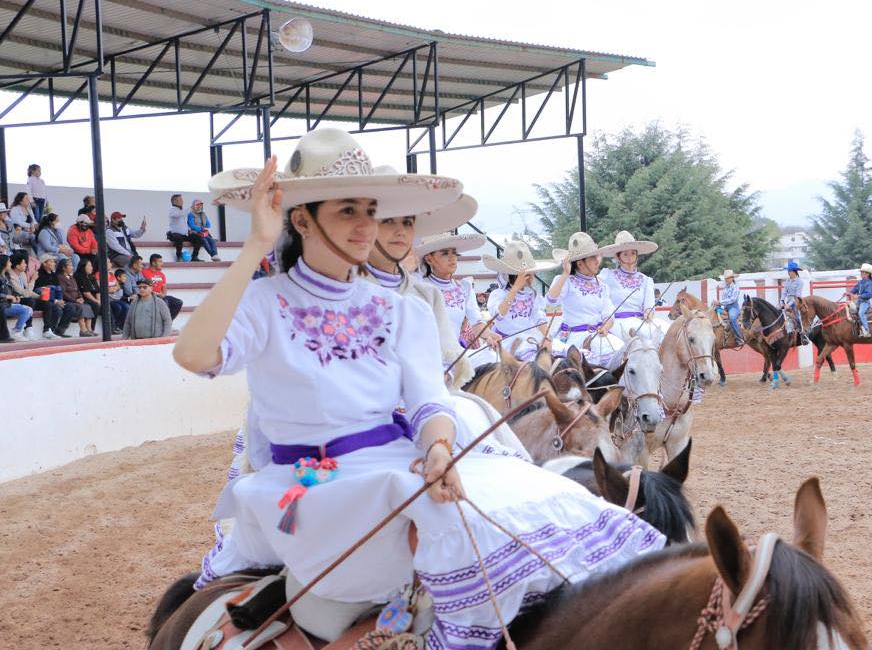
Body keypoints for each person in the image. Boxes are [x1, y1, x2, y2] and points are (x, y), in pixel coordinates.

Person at [181, 128, 661, 646]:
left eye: (371, 209)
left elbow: (429, 397)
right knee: (448, 517)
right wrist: (256, 245)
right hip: (309, 481)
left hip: (397, 460)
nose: (368, 224)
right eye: (348, 211)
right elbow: (194, 355)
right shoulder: (264, 302)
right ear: (302, 219)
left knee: (547, 492)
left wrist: (437, 447)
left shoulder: (401, 308)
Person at [364, 191, 477, 388]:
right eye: (389, 221)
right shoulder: (349, 287)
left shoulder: (427, 295)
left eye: (408, 222)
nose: (400, 231)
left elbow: (447, 352)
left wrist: (445, 376)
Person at [417, 231, 500, 369]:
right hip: (427, 356)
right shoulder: (421, 287)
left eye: (454, 253)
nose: (452, 258)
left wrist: (489, 335)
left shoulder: (464, 288)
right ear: (429, 259)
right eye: (445, 253)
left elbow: (476, 321)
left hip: (455, 354)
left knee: (492, 359)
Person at [545, 231, 624, 367]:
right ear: (580, 264)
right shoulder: (565, 281)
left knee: (622, 351)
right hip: (574, 336)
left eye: (596, 256)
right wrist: (565, 274)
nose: (597, 261)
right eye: (592, 258)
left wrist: (606, 327)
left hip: (599, 335)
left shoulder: (602, 285)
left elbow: (609, 314)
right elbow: (550, 301)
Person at [483, 240, 563, 361]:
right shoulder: (498, 294)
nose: (532, 276)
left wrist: (547, 337)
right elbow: (499, 315)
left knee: (562, 350)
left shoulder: (532, 295)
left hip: (526, 339)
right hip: (505, 341)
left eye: (532, 273)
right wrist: (515, 288)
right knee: (533, 356)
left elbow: (538, 317)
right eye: (528, 274)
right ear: (515, 275)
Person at [597, 230, 661, 342]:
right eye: (625, 254)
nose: (630, 257)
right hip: (617, 322)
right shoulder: (607, 275)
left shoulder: (646, 280)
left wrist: (648, 312)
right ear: (618, 257)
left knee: (665, 332)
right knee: (640, 336)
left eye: (632, 253)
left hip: (641, 321)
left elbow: (649, 305)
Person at [34, 253, 79, 337]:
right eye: (51, 262)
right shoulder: (39, 275)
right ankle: (51, 330)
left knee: (71, 307)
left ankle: (60, 330)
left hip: (56, 300)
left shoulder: (54, 275)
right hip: (44, 300)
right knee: (57, 309)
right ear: (44, 263)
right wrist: (55, 301)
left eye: (54, 262)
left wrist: (60, 300)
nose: (54, 264)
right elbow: (40, 291)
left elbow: (59, 290)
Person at [57, 257, 94, 337]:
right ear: (64, 268)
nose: (72, 267)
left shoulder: (72, 277)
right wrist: (75, 300)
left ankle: (89, 329)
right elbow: (64, 292)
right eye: (70, 266)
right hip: (68, 301)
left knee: (87, 306)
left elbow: (77, 290)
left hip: (76, 300)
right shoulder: (60, 277)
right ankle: (83, 330)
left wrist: (81, 298)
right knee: (78, 307)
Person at [1, 255, 34, 342]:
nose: (11, 264)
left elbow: (11, 290)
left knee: (29, 309)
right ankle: (17, 331)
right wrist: (7, 296)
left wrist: (16, 296)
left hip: (7, 304)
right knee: (27, 310)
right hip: (2, 306)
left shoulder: (6, 276)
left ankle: (18, 329)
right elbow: (5, 294)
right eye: (9, 262)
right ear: (3, 263)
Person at [142, 253, 182, 319]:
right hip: (150, 296)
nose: (162, 264)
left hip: (160, 296)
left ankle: (168, 322)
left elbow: (164, 288)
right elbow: (143, 287)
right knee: (165, 303)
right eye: (160, 262)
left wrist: (162, 294)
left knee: (178, 302)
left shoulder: (162, 274)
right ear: (153, 263)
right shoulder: (144, 272)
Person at [167, 194, 204, 262]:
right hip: (175, 234)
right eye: (180, 200)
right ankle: (179, 256)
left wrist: (189, 230)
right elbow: (179, 214)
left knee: (199, 238)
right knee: (178, 238)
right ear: (174, 201)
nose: (182, 201)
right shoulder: (172, 210)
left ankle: (194, 256)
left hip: (184, 234)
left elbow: (183, 223)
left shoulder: (183, 210)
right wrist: (191, 207)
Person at [780, 261, 808, 345]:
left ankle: (803, 335)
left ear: (794, 272)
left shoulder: (799, 282)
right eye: (788, 271)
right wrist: (781, 301)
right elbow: (784, 292)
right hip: (787, 300)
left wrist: (789, 304)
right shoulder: (787, 281)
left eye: (790, 271)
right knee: (776, 311)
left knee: (798, 318)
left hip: (796, 301)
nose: (788, 273)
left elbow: (797, 295)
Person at [847, 263, 872, 338]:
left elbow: (869, 294)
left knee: (861, 313)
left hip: (865, 302)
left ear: (867, 274)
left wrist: (859, 296)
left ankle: (867, 330)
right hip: (859, 302)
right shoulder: (860, 282)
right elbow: (854, 289)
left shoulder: (869, 283)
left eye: (862, 272)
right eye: (861, 272)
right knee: (849, 309)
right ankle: (857, 328)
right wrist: (850, 293)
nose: (861, 273)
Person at [74, 258, 101, 333]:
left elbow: (98, 290)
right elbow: (86, 292)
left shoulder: (91, 276)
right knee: (95, 305)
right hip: (83, 298)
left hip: (94, 298)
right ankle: (90, 328)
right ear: (83, 267)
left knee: (106, 305)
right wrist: (96, 301)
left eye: (91, 266)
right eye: (89, 266)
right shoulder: (79, 276)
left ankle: (92, 328)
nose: (91, 268)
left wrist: (98, 299)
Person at [718, 269, 744, 346]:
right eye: (725, 278)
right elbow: (723, 298)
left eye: (727, 278)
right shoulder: (725, 288)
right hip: (725, 307)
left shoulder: (736, 287)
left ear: (732, 278)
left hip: (734, 307)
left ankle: (739, 338)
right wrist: (718, 303)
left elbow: (733, 299)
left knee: (732, 317)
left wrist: (720, 302)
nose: (726, 280)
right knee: (715, 311)